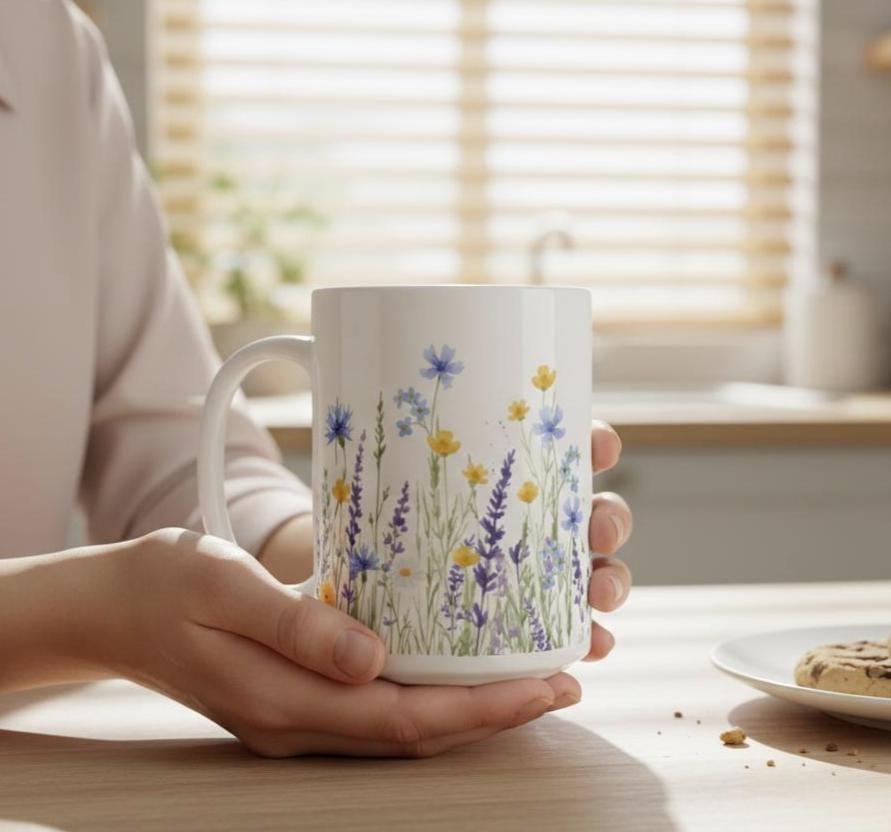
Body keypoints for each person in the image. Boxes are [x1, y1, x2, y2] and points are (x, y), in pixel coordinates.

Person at [0, 0, 633, 757]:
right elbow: (130, 584)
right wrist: (79, 615)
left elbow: (174, 461)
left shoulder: (43, 45)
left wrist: (355, 576)